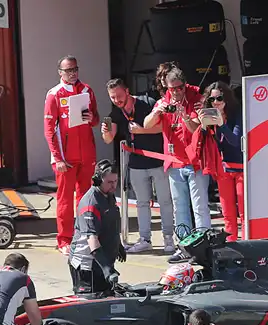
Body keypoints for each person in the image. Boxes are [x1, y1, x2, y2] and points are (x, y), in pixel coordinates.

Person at [101, 78, 175, 255]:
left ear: (127, 91)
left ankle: (169, 238)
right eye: (112, 97)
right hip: (136, 162)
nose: (117, 100)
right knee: (142, 203)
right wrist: (105, 132)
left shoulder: (147, 102)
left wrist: (141, 130)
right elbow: (109, 139)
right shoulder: (117, 112)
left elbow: (163, 128)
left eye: (119, 96)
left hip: (158, 159)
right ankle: (144, 239)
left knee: (165, 201)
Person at [144, 68, 210, 262]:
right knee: (179, 208)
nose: (176, 92)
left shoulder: (197, 98)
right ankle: (184, 247)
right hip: (174, 163)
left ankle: (205, 246)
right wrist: (157, 112)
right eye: (172, 89)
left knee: (200, 207)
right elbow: (147, 124)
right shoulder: (164, 101)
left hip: (195, 162)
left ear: (185, 84)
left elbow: (197, 127)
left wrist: (184, 114)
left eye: (180, 88)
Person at [44, 55, 100, 255]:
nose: (73, 73)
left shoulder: (87, 90)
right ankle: (64, 239)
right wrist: (57, 157)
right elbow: (49, 130)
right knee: (65, 199)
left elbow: (95, 120)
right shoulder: (54, 94)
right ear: (60, 73)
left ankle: (84, 234)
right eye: (68, 70)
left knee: (86, 198)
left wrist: (92, 118)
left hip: (86, 154)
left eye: (75, 69)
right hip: (65, 158)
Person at [68, 159, 127, 294]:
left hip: (101, 260)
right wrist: (107, 268)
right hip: (86, 265)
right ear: (98, 180)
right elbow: (92, 240)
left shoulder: (108, 196)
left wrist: (117, 245)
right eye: (109, 182)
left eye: (115, 181)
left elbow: (110, 224)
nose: (114, 186)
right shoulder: (90, 204)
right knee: (89, 305)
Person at [201, 81, 245, 241]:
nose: (216, 102)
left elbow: (235, 141)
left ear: (226, 98)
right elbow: (210, 144)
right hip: (223, 169)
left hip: (241, 168)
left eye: (219, 98)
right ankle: (231, 244)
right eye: (212, 100)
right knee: (227, 213)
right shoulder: (210, 116)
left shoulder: (236, 113)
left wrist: (221, 124)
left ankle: (247, 243)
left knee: (244, 211)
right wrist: (204, 127)